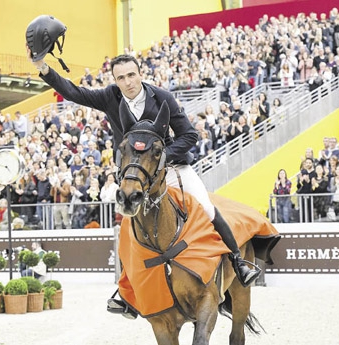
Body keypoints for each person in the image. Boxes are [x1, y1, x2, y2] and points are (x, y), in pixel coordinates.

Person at [27, 23, 260, 291]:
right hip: (133, 173)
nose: (127, 82)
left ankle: (238, 262)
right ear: (115, 80)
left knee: (206, 208)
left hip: (170, 167)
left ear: (140, 74)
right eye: (121, 78)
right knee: (128, 223)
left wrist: (163, 158)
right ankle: (125, 290)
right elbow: (74, 93)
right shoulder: (109, 97)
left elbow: (190, 136)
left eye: (131, 75)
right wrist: (42, 66)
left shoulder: (162, 98)